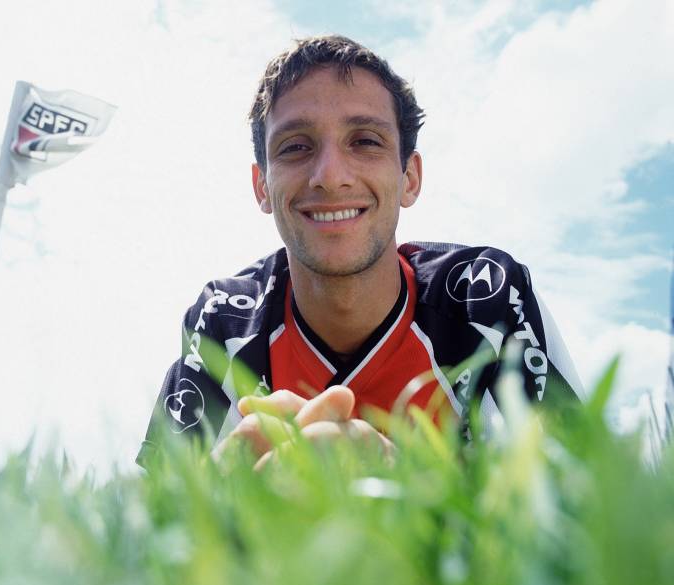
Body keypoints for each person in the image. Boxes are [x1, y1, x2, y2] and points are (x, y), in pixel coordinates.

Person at [136, 35, 582, 469]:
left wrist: (404, 490)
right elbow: (156, 516)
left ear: (409, 176)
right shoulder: (224, 319)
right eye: (295, 147)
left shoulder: (485, 298)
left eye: (365, 141)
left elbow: (584, 493)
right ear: (261, 186)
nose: (330, 176)